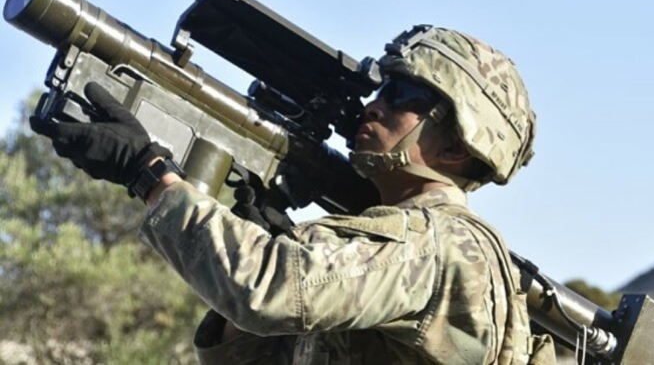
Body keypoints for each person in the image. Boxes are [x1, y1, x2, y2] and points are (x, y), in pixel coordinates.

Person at [30, 25, 555, 364]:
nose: (374, 106)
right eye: (379, 89)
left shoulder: (439, 243)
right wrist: (264, 237)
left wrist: (149, 175)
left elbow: (268, 288)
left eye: (404, 95)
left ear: (457, 148)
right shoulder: (387, 242)